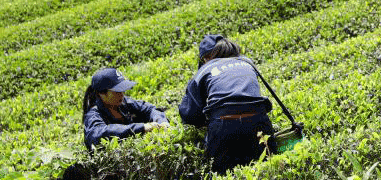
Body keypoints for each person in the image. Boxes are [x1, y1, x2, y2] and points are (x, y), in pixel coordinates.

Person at [179, 34, 275, 174]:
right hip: (259, 122)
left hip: (224, 125)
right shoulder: (247, 62)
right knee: (266, 171)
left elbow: (189, 115)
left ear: (207, 57)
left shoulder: (205, 69)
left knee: (223, 174)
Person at [82, 67, 169, 151]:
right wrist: (141, 128)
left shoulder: (123, 102)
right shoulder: (93, 115)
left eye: (123, 90)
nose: (122, 94)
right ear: (102, 94)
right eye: (117, 91)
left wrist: (161, 122)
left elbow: (149, 109)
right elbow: (99, 134)